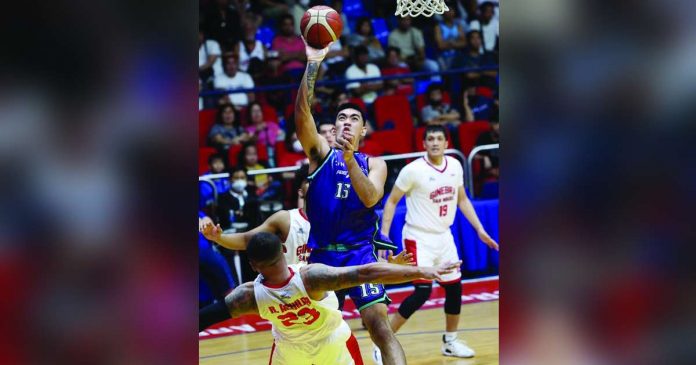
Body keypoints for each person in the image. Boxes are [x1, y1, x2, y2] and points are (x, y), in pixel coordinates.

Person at [294, 38, 407, 365]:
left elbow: (371, 197)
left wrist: (349, 158)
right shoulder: (319, 156)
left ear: (364, 129)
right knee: (312, 335)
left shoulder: (375, 163)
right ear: (332, 127)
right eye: (341, 117)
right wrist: (313, 64)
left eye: (353, 118)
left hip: (360, 254)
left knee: (380, 327)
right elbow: (302, 114)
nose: (345, 121)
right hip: (322, 257)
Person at [199, 232, 461, 364]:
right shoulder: (311, 277)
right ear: (283, 249)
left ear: (254, 265)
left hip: (290, 355)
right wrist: (421, 271)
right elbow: (367, 272)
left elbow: (206, 317)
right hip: (334, 347)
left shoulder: (247, 297)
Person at [375, 124, 499, 361]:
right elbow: (390, 202)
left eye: (439, 138)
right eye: (430, 139)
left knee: (454, 288)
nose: (434, 142)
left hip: (444, 236)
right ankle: (383, 344)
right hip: (418, 237)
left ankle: (450, 342)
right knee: (422, 292)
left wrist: (480, 229)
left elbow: (462, 199)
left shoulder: (454, 165)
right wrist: (384, 237)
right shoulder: (412, 170)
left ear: (446, 143)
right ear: (423, 144)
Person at [272, 14, 306, 79]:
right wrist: (297, 54)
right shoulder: (277, 41)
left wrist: (288, 55)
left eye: (290, 25)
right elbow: (281, 57)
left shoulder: (300, 40)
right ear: (281, 26)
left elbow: (305, 56)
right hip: (286, 72)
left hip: (302, 71)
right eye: (285, 25)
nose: (288, 27)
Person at [433, 5, 467, 70]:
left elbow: (464, 43)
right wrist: (456, 43)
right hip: (443, 56)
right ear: (443, 13)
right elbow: (440, 46)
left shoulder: (458, 26)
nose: (449, 12)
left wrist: (450, 43)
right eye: (447, 11)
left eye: (451, 10)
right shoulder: (438, 27)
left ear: (454, 12)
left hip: (457, 56)